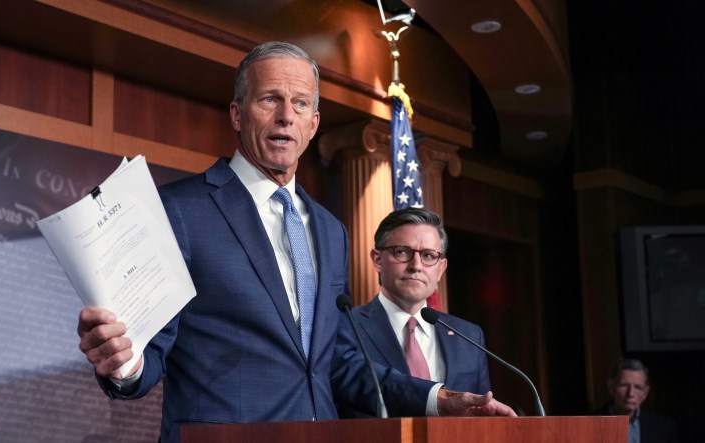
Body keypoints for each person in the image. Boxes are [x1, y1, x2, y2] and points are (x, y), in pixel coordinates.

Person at [77, 41, 515, 442]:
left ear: (313, 123)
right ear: (237, 113)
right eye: (270, 99)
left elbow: (339, 362)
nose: (286, 115)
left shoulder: (330, 229)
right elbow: (148, 351)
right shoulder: (180, 210)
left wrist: (438, 399)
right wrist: (124, 365)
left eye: (300, 103)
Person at [333, 208, 492, 417]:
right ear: (378, 260)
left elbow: (481, 416)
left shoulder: (469, 336)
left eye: (428, 255)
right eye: (402, 252)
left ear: (441, 268)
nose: (416, 265)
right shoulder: (344, 326)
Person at [593, 359, 680, 443]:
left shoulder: (664, 427)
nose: (630, 394)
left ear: (645, 393)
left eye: (638, 387)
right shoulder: (590, 424)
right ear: (611, 387)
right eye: (624, 386)